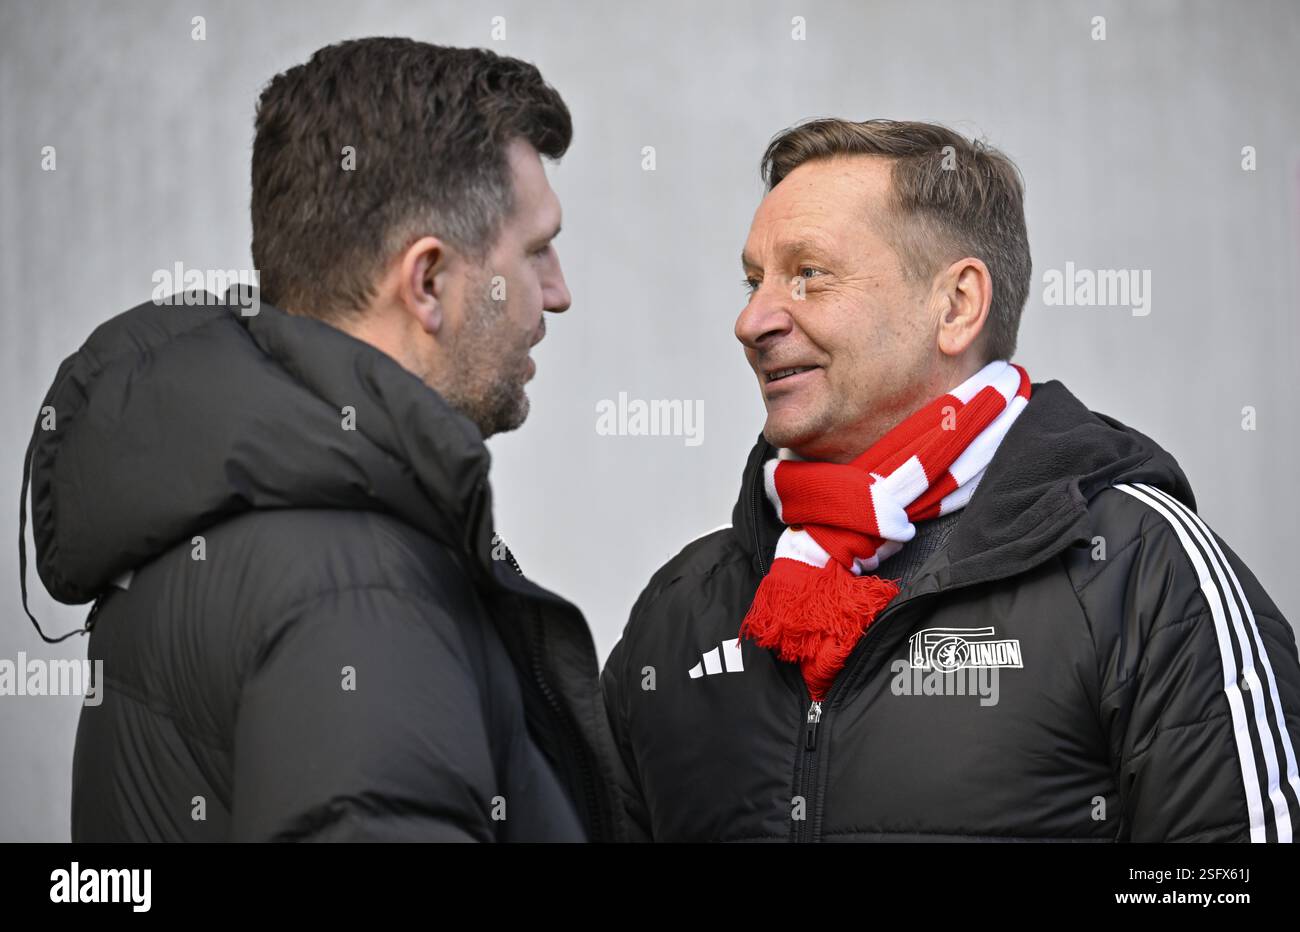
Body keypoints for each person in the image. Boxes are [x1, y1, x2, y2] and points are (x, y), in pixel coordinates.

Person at [601, 118, 1300, 843]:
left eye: (808, 274)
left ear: (958, 305)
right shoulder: (681, 609)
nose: (753, 320)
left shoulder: (1140, 571)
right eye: (755, 281)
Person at [22, 37, 626, 842]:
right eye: (537, 249)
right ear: (428, 282)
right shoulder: (358, 588)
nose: (558, 293)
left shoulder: (218, 513)